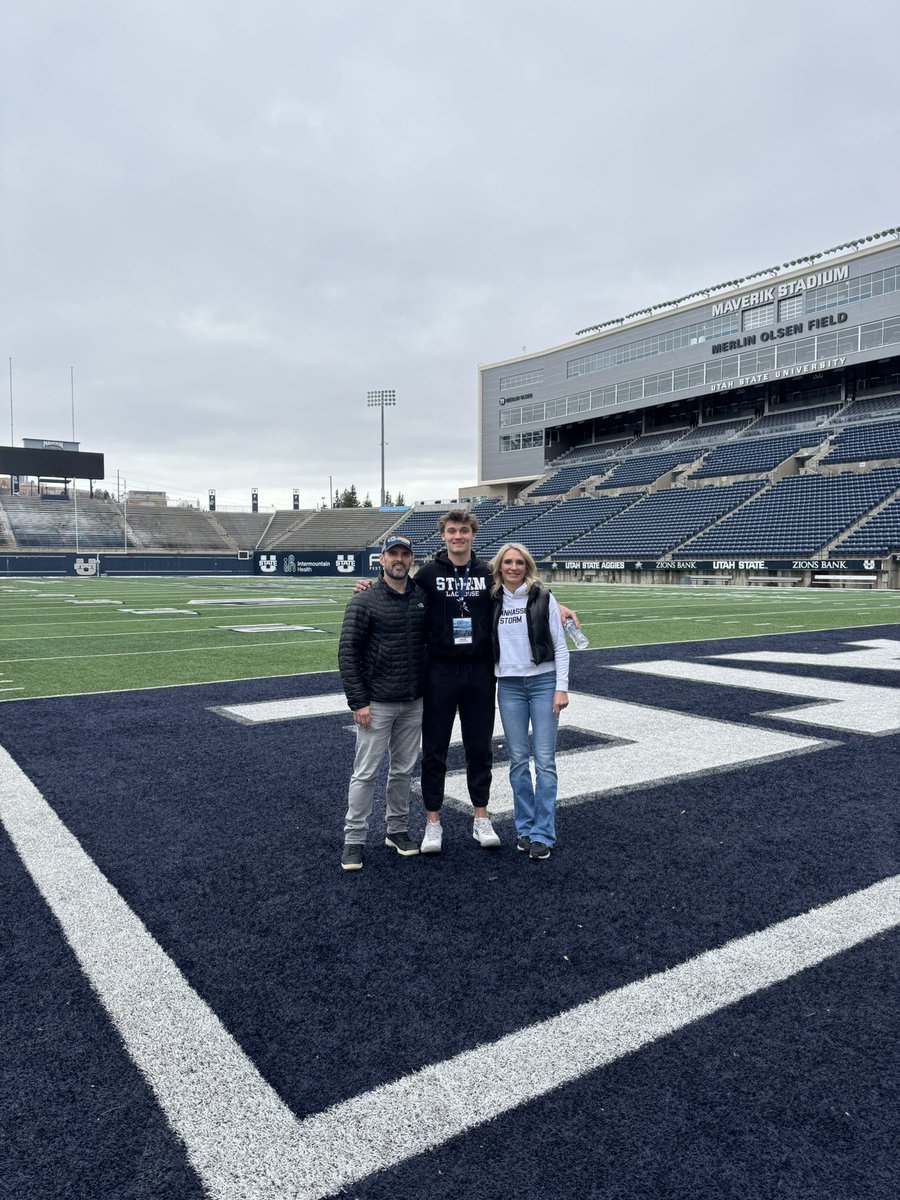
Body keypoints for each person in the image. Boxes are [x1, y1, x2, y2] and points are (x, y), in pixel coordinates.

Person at [337, 534, 428, 871]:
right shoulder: (364, 601)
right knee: (365, 773)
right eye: (393, 554)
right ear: (381, 560)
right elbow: (348, 654)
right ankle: (354, 839)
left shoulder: (422, 596)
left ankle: (397, 830)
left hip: (413, 700)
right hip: (376, 703)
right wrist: (358, 702)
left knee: (403, 771)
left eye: (405, 554)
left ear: (411, 560)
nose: (399, 560)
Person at [491, 542, 569, 861]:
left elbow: (560, 647)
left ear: (527, 566)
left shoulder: (543, 597)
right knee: (518, 760)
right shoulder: (492, 599)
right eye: (507, 562)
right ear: (499, 567)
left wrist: (560, 688)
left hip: (543, 682)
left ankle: (543, 833)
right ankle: (524, 827)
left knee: (545, 760)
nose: (513, 567)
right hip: (508, 685)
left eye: (519, 562)